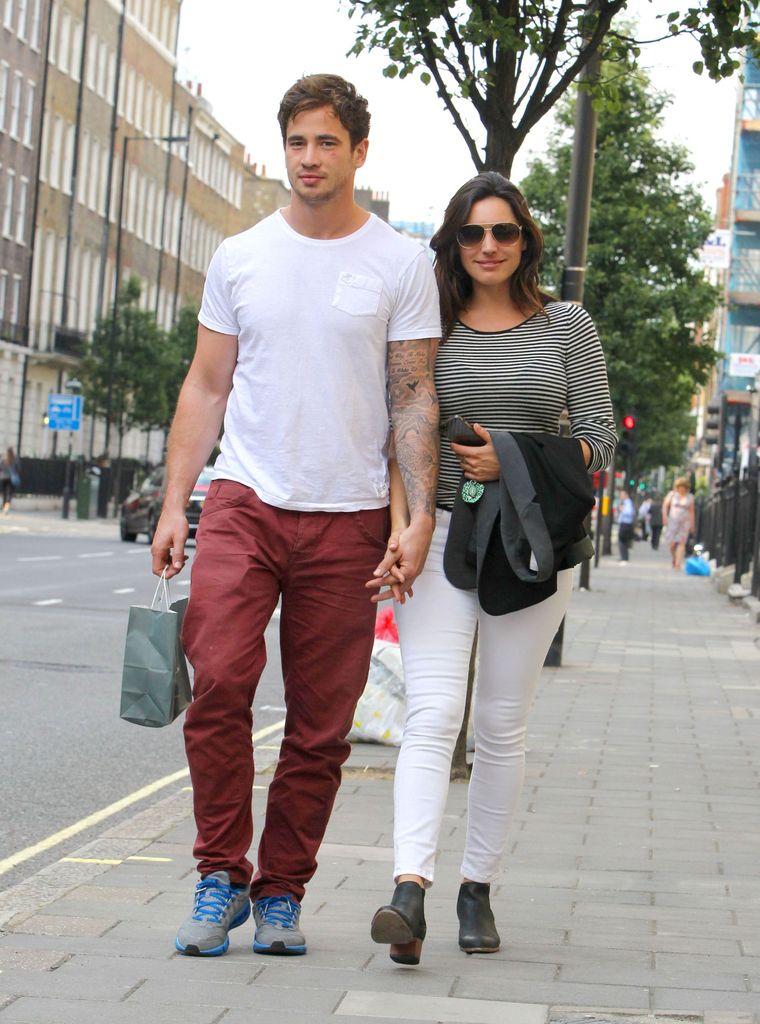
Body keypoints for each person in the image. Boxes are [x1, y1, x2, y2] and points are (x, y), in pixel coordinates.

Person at [151, 74, 441, 959]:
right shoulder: (241, 255)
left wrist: (417, 518)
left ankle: (281, 891)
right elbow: (206, 385)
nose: (309, 159)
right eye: (296, 142)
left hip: (349, 515)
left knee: (320, 725)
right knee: (220, 684)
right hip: (243, 500)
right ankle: (218, 873)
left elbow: (414, 396)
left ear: (359, 152)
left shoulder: (402, 262)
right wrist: (175, 502)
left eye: (326, 143)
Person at [366, 172, 616, 964]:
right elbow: (399, 422)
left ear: (526, 241)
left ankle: (477, 889)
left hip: (531, 543)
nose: (488, 247)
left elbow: (600, 440)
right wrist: (404, 527)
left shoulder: (567, 326)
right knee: (432, 714)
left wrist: (511, 457)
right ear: (452, 242)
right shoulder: (425, 322)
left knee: (502, 726)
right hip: (439, 535)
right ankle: (410, 888)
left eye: (503, 232)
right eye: (472, 233)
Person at [663, 476, 695, 569]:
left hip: (684, 522)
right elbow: (665, 506)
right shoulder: (672, 495)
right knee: (672, 544)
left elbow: (692, 511)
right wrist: (664, 517)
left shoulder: (690, 497)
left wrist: (692, 524)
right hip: (673, 521)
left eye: (684, 487)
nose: (682, 489)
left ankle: (677, 563)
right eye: (680, 487)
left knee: (681, 542)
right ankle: (675, 557)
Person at [617, 489, 636, 562]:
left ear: (626, 495)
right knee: (623, 540)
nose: (621, 497)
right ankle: (624, 556)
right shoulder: (626, 502)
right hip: (624, 523)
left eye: (622, 495)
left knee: (621, 540)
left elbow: (629, 512)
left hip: (626, 524)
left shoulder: (628, 502)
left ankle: (624, 556)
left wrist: (622, 510)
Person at [0, 447, 20, 514]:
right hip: (11, 478)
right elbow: (18, 468)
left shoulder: (3, 458)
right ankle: (6, 508)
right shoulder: (15, 459)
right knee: (9, 494)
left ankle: (3, 507)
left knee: (4, 494)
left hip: (3, 478)